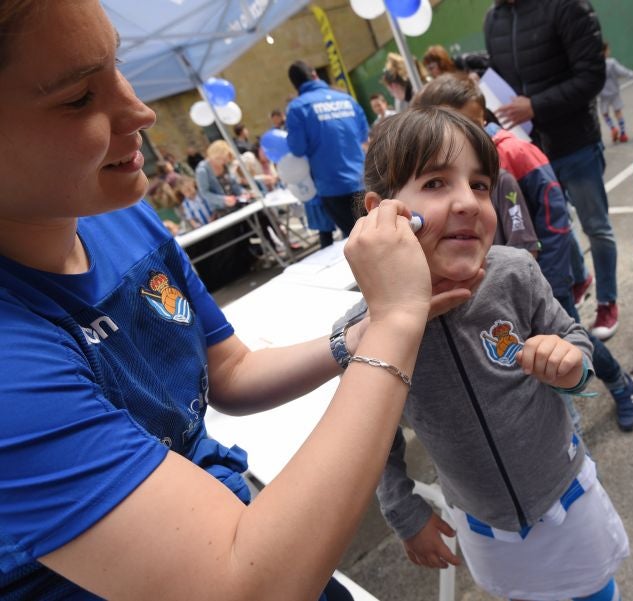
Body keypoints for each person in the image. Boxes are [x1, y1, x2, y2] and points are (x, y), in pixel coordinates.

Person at [0, 2, 483, 599]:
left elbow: (227, 369)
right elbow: (247, 583)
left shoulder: (119, 217)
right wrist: (394, 321)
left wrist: (354, 336)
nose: (140, 110)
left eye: (116, 65)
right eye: (78, 97)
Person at [335, 106, 631, 601]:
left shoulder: (514, 272)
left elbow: (574, 343)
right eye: (434, 182)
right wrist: (404, 512)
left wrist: (570, 362)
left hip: (565, 495)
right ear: (381, 211)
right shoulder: (365, 333)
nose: (468, 202)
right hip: (484, 523)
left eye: (478, 184)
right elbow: (371, 437)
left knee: (596, 592)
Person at [413, 73, 633, 431]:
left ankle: (620, 384)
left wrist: (551, 278)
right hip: (489, 286)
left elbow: (554, 217)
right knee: (521, 357)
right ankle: (561, 424)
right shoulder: (447, 171)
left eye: (451, 122)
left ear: (478, 118)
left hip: (539, 278)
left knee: (567, 341)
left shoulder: (512, 154)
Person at [485, 0, 622, 340]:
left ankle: (607, 301)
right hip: (531, 151)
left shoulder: (567, 6)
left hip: (575, 144)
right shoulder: (494, 19)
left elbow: (592, 74)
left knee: (596, 226)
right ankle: (579, 278)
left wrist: (535, 106)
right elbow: (507, 77)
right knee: (554, 226)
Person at [285, 59, 368, 247]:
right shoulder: (346, 99)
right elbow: (363, 135)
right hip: (362, 179)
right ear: (314, 74)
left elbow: (297, 149)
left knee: (357, 242)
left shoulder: (297, 108)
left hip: (333, 187)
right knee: (379, 233)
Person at [597, 42, 633, 144]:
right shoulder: (612, 63)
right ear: (605, 51)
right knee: (618, 112)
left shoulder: (595, 65)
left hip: (602, 93)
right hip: (614, 92)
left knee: (605, 113)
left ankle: (612, 128)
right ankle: (623, 133)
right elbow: (624, 72)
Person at [194, 140, 248, 213]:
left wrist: (243, 193)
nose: (224, 162)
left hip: (237, 203)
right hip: (221, 209)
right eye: (222, 159)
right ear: (216, 156)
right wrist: (223, 200)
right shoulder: (202, 171)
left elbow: (234, 183)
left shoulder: (225, 165)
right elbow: (204, 193)